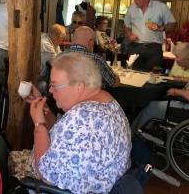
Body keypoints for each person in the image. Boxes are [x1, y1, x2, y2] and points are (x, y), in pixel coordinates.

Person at [8, 53, 131, 193]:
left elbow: (47, 174)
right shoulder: (105, 101)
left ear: (79, 86)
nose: (50, 90)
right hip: (91, 180)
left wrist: (39, 124)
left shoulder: (83, 118)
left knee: (2, 170)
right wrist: (44, 108)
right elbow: (63, 134)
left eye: (55, 85)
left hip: (51, 186)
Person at [124, 0, 177, 71]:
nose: (134, 0)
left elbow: (174, 24)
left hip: (154, 50)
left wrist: (161, 28)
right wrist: (129, 34)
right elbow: (126, 25)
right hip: (135, 48)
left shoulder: (161, 7)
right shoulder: (132, 8)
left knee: (152, 77)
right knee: (133, 75)